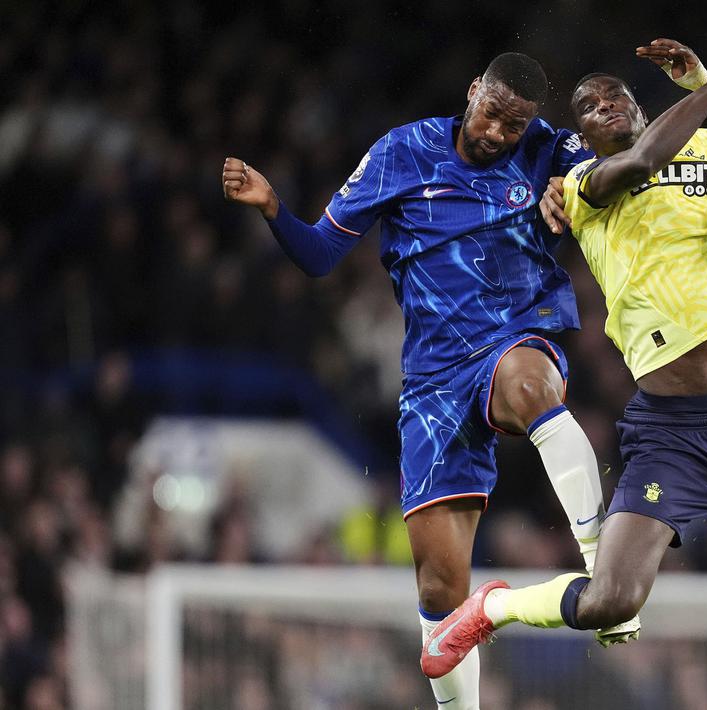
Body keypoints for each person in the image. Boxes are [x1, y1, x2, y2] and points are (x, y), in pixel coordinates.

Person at [221, 52, 638, 710]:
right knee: (441, 590)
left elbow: (601, 173)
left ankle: (604, 568)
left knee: (532, 388)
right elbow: (321, 255)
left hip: (514, 337)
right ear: (472, 92)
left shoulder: (547, 150)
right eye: (493, 114)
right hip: (432, 385)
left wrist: (576, 187)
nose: (500, 132)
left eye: (516, 122)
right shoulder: (402, 152)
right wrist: (273, 207)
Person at [421, 39, 707, 680]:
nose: (604, 104)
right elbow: (641, 160)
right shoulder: (583, 186)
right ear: (579, 133)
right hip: (672, 432)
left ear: (642, 105)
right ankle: (491, 609)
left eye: (617, 95)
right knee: (611, 602)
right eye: (588, 105)